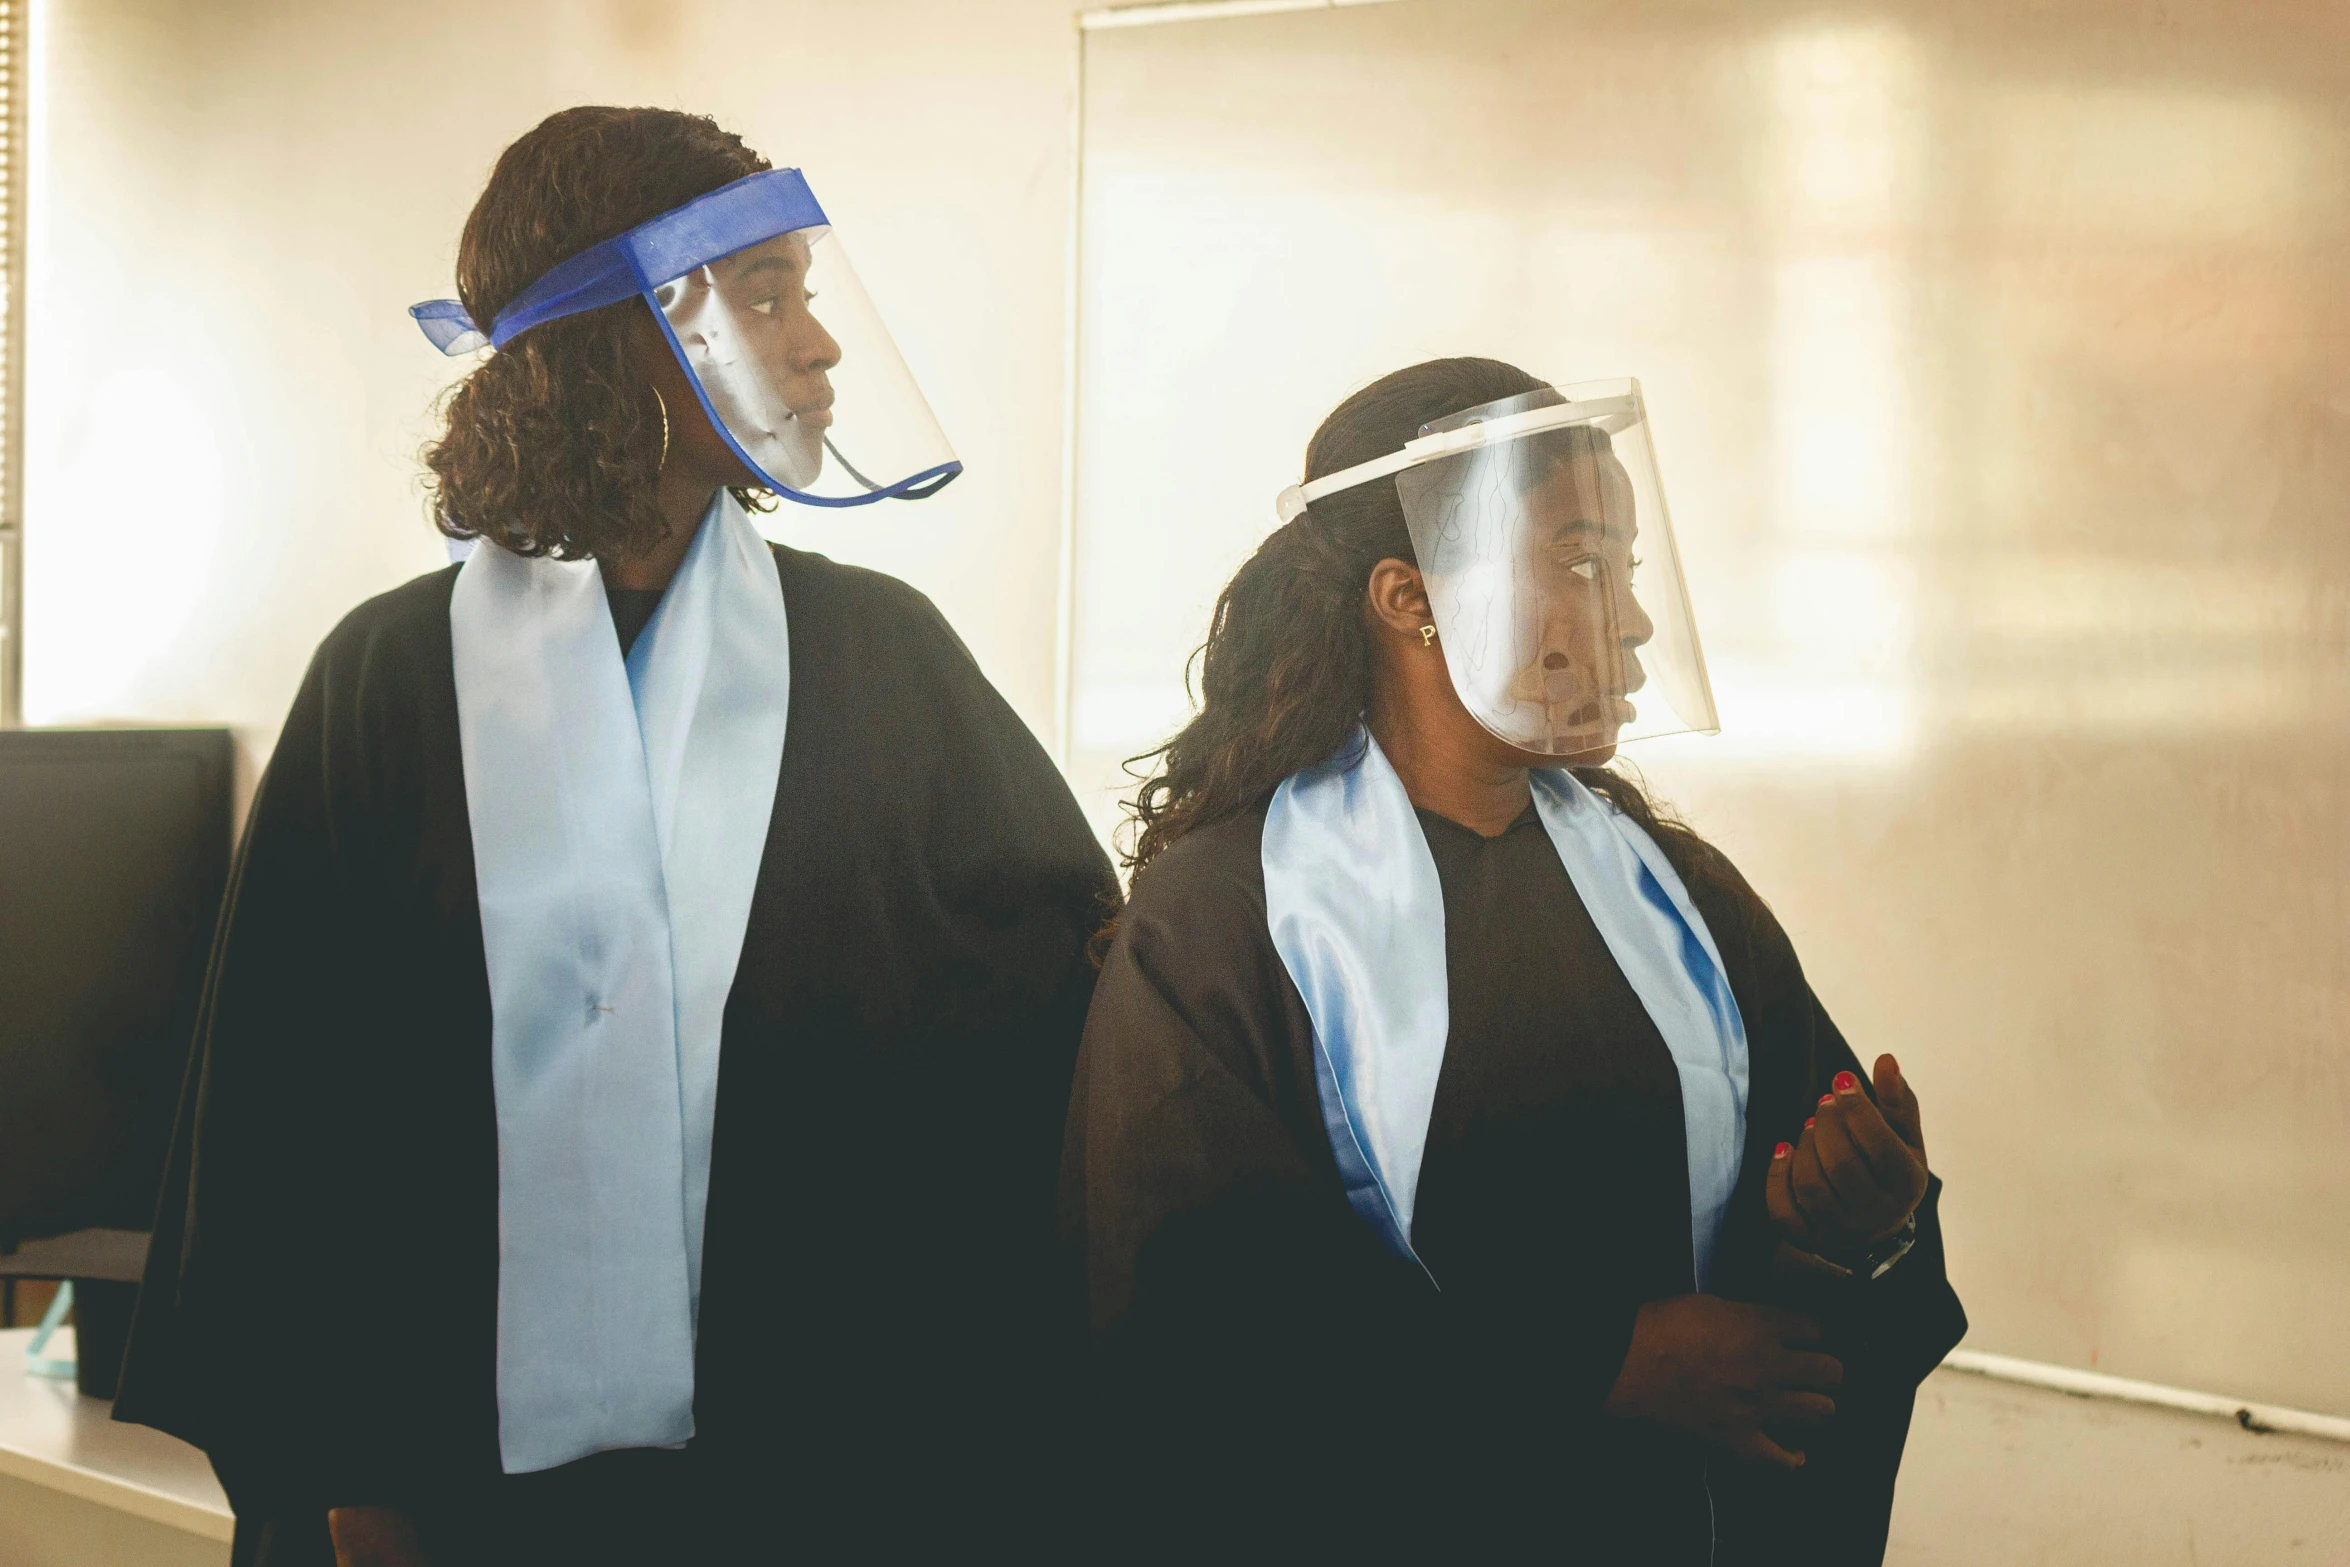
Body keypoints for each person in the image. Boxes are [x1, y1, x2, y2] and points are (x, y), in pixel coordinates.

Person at [115, 107, 1114, 1566]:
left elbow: (1059, 1034)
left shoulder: (882, 657)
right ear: (614, 334)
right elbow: (285, 1115)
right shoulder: (390, 680)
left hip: (814, 1471)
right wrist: (349, 1475)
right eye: (763, 292)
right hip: (438, 1487)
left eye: (804, 290)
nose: (819, 343)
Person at [1060, 357, 1966, 1562]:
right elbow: (1195, 1317)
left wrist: (1866, 1233)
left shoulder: (1677, 899)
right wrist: (1595, 1366)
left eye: (1627, 571)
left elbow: (1802, 1321)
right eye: (1584, 564)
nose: (1632, 617)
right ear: (1409, 595)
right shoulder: (1228, 920)